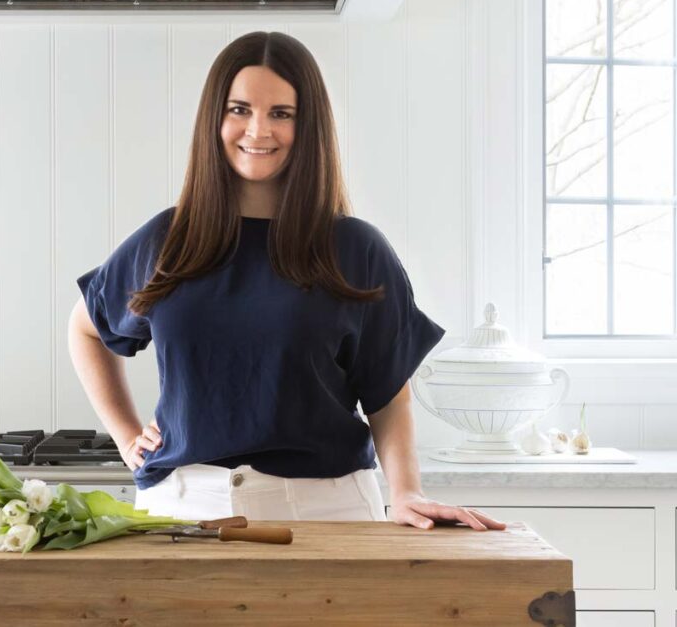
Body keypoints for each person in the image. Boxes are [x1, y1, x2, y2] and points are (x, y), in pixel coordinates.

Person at [67, 31, 505, 532]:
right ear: (214, 119)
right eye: (239, 109)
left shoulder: (355, 247)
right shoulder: (168, 239)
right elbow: (86, 329)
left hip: (326, 511)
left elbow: (388, 394)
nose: (258, 129)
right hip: (181, 510)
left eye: (282, 113)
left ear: (308, 125)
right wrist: (126, 437)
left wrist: (405, 493)